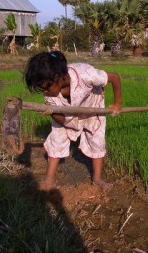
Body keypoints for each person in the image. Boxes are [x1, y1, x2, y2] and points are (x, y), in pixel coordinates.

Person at [24, 51, 122, 191]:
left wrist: (117, 103)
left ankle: (97, 178)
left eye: (46, 87)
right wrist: (52, 112)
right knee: (57, 138)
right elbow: (63, 121)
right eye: (42, 88)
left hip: (92, 107)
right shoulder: (50, 94)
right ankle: (49, 179)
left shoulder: (86, 74)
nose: (45, 91)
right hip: (65, 113)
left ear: (59, 77)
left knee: (96, 140)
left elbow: (114, 77)